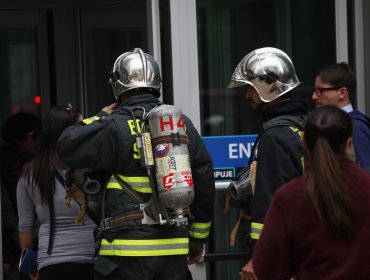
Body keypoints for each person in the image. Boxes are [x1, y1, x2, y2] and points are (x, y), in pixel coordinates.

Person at [56, 48, 215, 280]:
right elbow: (203, 177)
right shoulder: (179, 124)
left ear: (118, 86)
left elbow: (67, 144)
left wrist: (101, 115)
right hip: (173, 250)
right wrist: (197, 238)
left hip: (125, 252)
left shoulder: (113, 125)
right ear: (156, 83)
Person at [246, 105, 370, 279]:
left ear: (304, 142)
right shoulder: (366, 187)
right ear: (349, 144)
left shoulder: (289, 197)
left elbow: (268, 267)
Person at [227, 47, 308, 277]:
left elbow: (271, 203)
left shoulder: (275, 137)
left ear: (267, 89)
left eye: (250, 88)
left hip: (283, 257)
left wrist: (258, 257)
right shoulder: (305, 125)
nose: (247, 96)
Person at [17, 104, 97, 280]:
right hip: (93, 261)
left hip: (51, 264)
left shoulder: (31, 173)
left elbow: (26, 228)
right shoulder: (93, 168)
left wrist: (30, 263)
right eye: (80, 128)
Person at [312, 62, 370, 171]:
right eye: (314, 90)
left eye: (320, 91)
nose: (314, 96)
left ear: (342, 93)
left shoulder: (356, 128)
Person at [0, 112, 42, 211]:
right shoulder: (12, 163)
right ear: (19, 138)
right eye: (34, 136)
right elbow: (25, 197)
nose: (38, 141)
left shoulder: (25, 159)